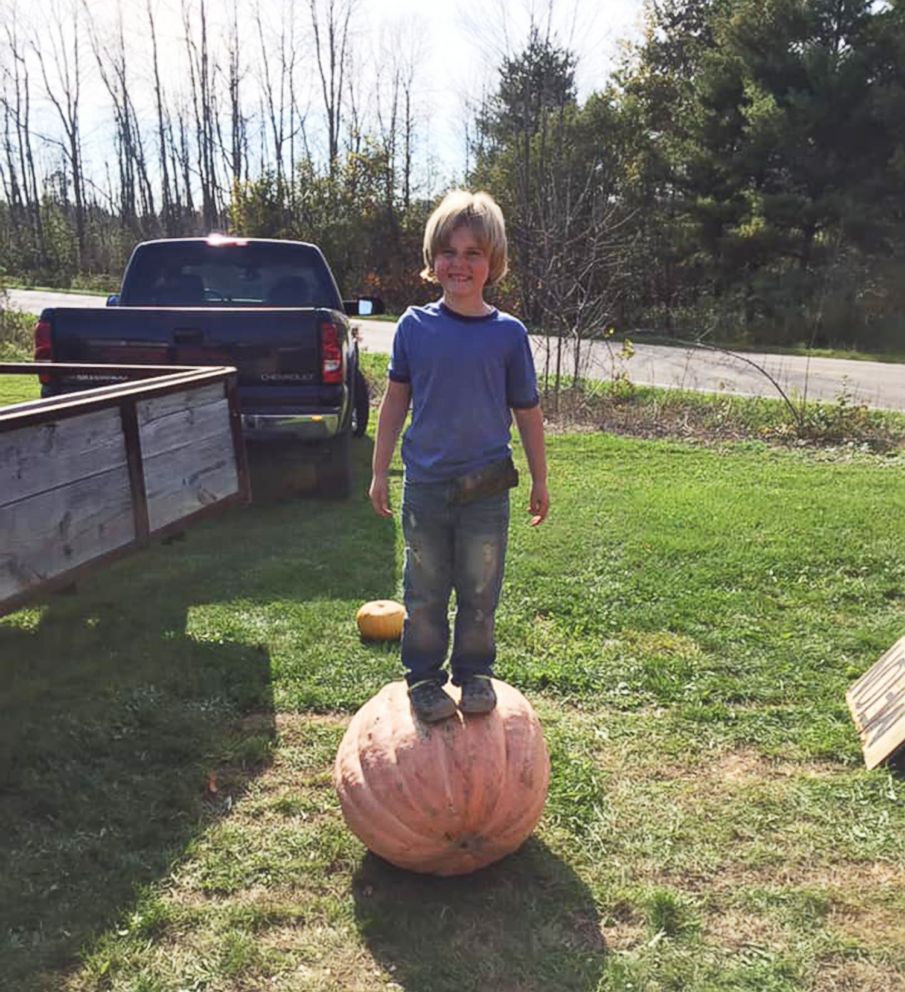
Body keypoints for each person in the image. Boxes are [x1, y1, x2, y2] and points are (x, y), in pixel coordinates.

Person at [368, 189, 549, 723]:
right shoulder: (414, 328)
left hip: (487, 489)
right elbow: (395, 400)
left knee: (479, 590)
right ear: (432, 261)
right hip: (426, 488)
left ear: (493, 263)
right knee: (423, 591)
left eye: (474, 253)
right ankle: (424, 679)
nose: (459, 263)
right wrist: (380, 471)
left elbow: (528, 412)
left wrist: (540, 478)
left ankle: (474, 674)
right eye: (448, 251)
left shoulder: (508, 335)